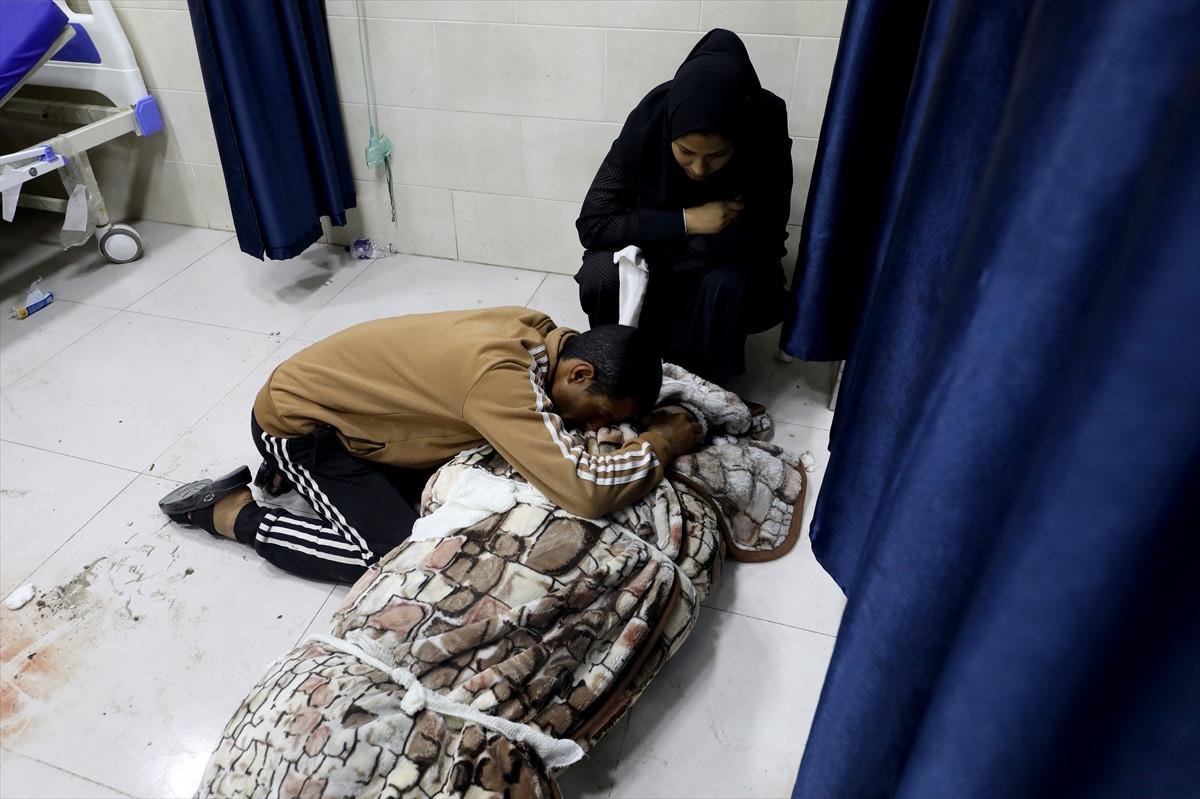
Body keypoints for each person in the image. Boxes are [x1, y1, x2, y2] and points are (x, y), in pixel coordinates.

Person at [157, 307, 702, 582]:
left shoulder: (539, 333)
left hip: (353, 408)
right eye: (601, 413)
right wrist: (660, 442)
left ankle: (295, 478)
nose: (596, 425)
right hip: (302, 428)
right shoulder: (498, 378)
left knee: (450, 489)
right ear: (579, 373)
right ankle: (230, 513)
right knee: (390, 554)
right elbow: (586, 491)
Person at [575, 28, 793, 385]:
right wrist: (687, 221)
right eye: (685, 152)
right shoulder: (652, 118)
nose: (699, 169)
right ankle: (617, 369)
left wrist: (689, 245)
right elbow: (594, 223)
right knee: (603, 274)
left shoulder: (763, 123)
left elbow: (767, 234)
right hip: (656, 244)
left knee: (730, 285)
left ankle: (706, 385)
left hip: (722, 256)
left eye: (718, 154)